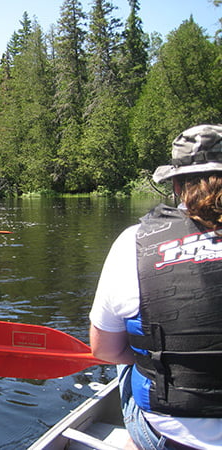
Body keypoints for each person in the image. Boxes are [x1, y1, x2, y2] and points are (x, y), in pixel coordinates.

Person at [89, 124, 222, 450]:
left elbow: (102, 350)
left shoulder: (133, 243)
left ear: (176, 185)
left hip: (171, 432)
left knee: (128, 359)